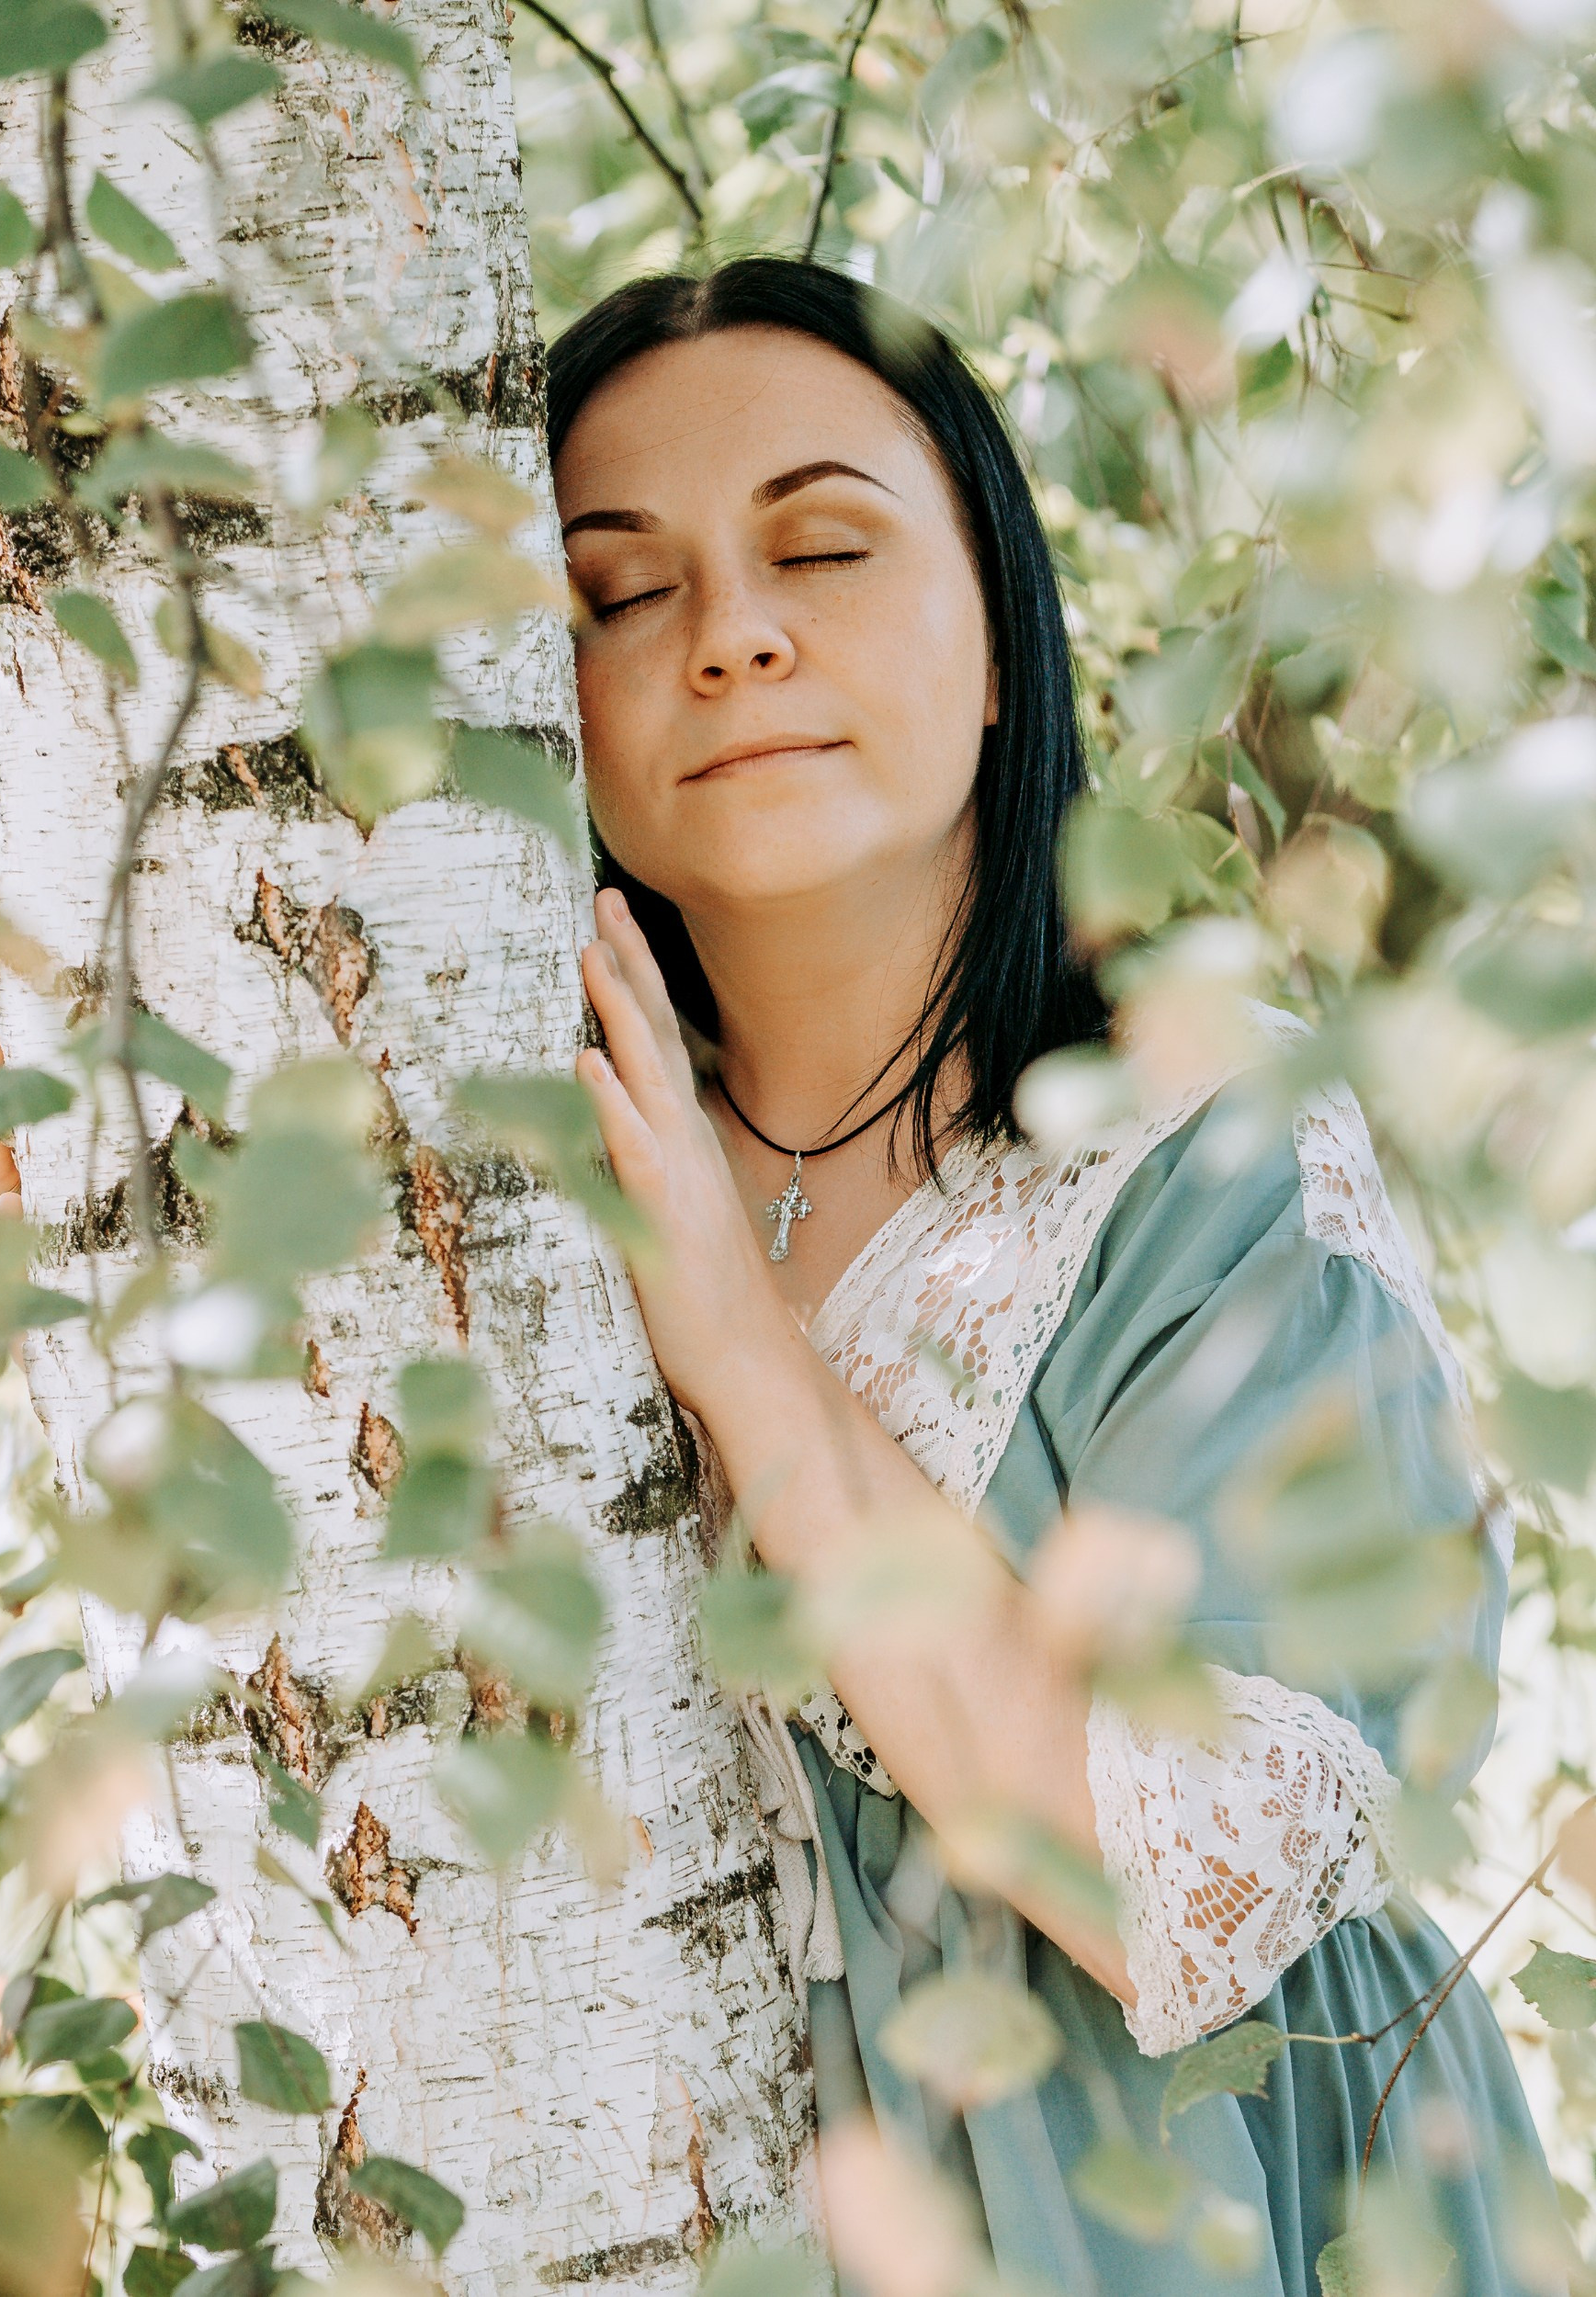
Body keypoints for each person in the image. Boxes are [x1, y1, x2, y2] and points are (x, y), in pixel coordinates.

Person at [552, 258, 1558, 2294]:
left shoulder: (1204, 1155)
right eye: (618, 593)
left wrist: (746, 1353)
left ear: (1003, 640)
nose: (731, 635)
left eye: (820, 546)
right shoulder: (496, 1192)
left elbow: (1159, 1883)